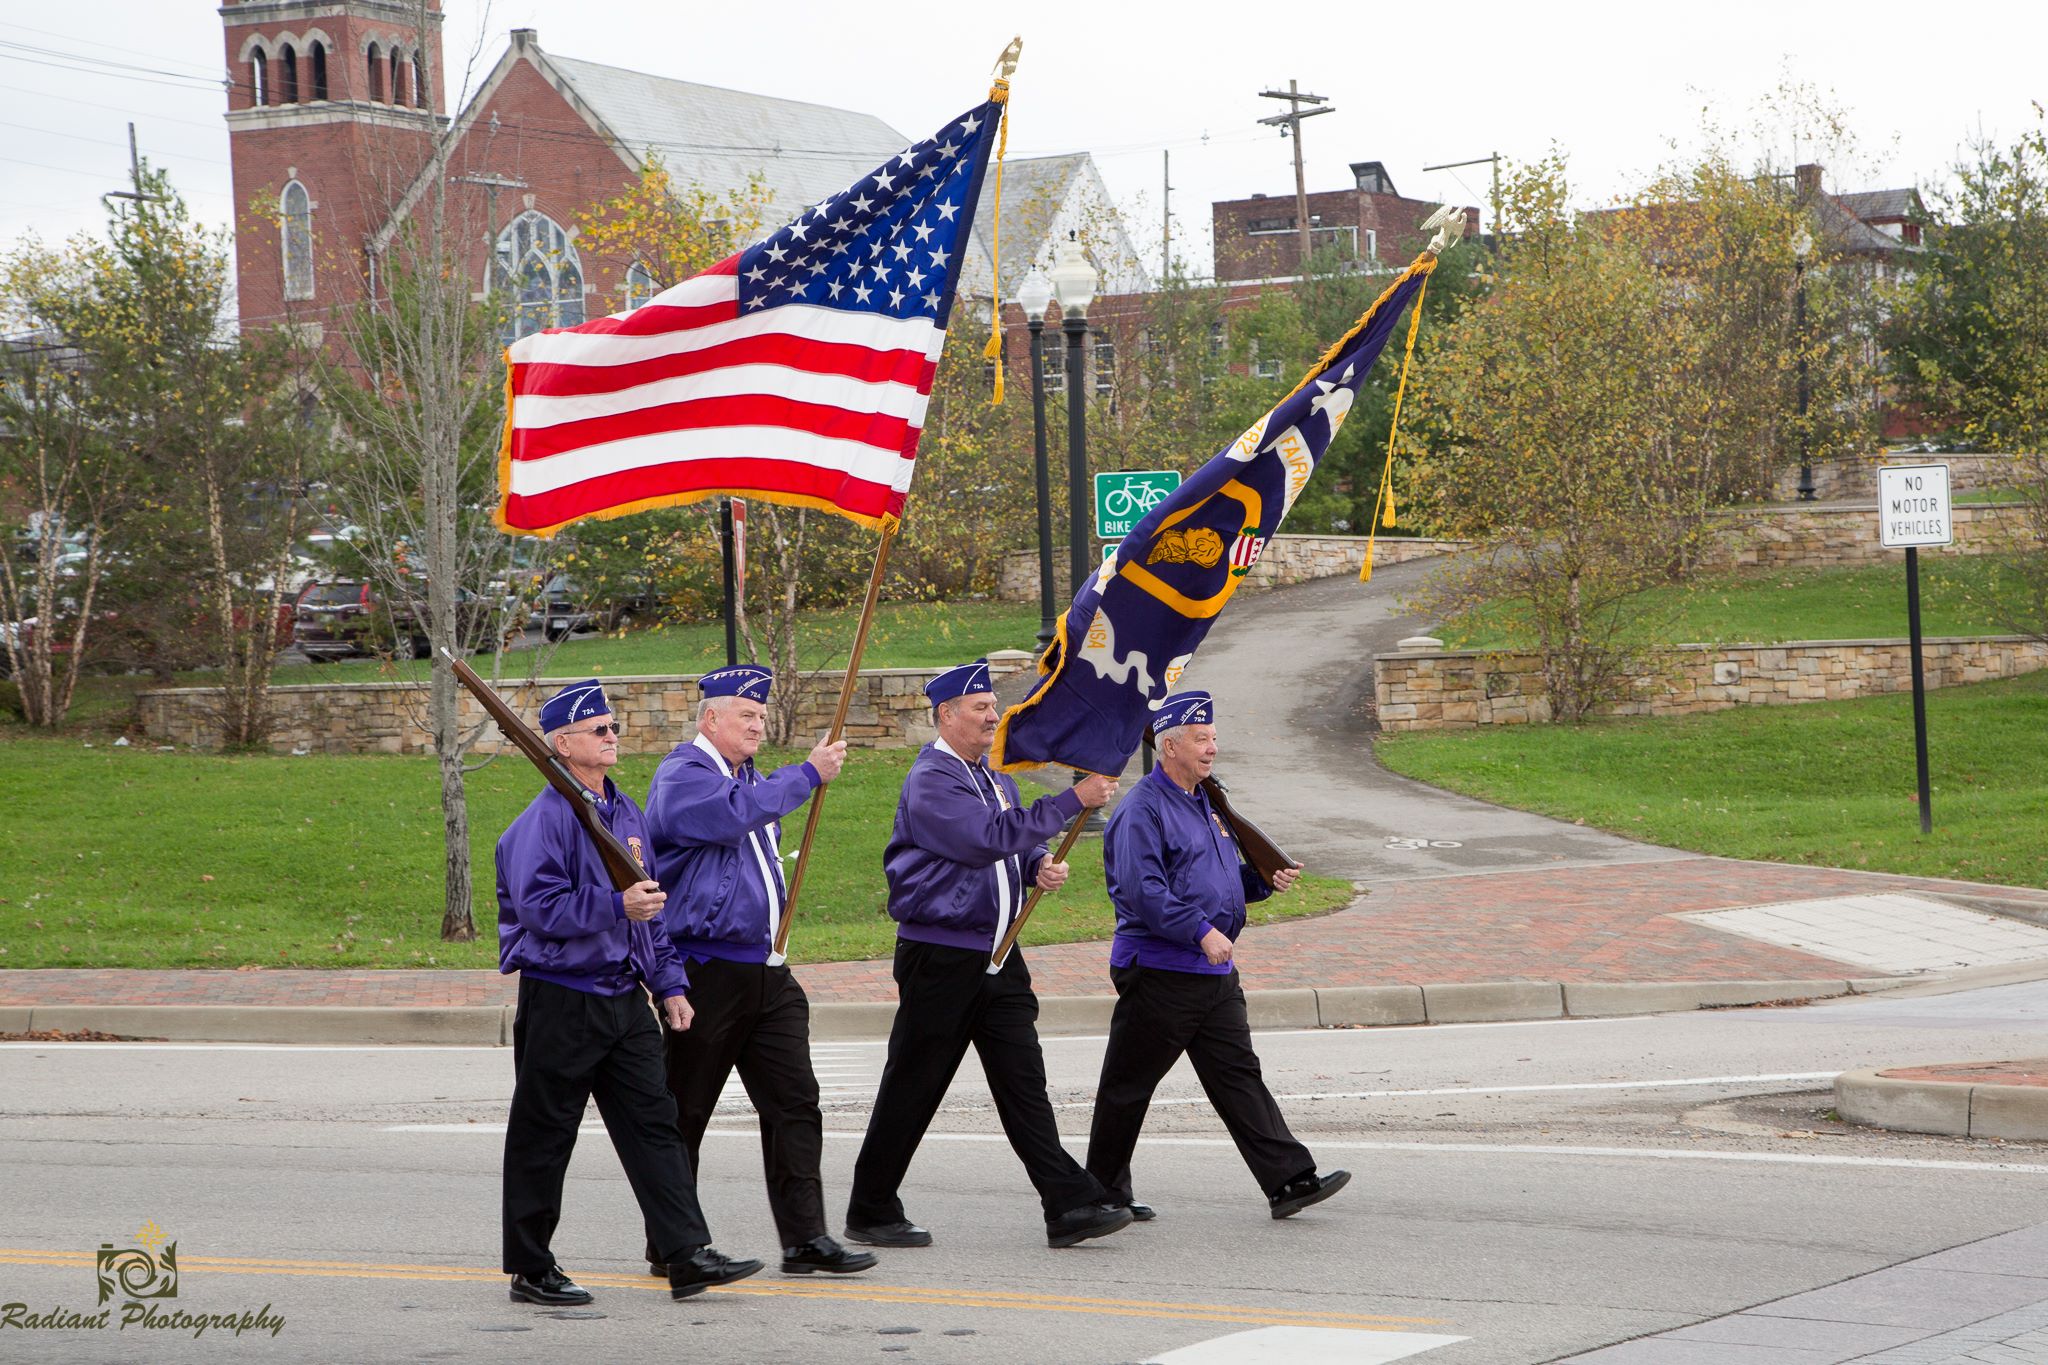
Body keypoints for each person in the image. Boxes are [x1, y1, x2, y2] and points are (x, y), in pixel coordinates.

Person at [843, 658, 1132, 1250]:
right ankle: (870, 1207)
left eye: (993, 706)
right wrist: (1073, 798)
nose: (993, 715)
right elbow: (980, 840)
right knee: (915, 1083)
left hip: (1001, 953)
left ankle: (1068, 1203)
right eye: (980, 708)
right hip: (942, 956)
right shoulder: (932, 779)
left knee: (1023, 1082)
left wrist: (1036, 866)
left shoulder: (996, 778)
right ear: (946, 717)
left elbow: (1008, 847)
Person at [496, 679, 763, 1305]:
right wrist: (614, 904)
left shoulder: (624, 813)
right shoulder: (542, 822)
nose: (613, 737)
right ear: (562, 745)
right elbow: (539, 910)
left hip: (623, 999)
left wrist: (668, 983)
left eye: (613, 727)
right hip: (562, 997)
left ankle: (685, 1252)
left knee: (656, 1125)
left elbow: (649, 913)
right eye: (599, 730)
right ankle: (531, 1268)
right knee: (544, 1135)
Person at [641, 663, 876, 1278]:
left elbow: (748, 813)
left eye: (762, 716)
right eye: (746, 715)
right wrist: (805, 774)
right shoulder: (683, 776)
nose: (758, 725)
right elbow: (727, 816)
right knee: (686, 1109)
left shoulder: (746, 778)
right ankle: (673, 1245)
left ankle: (805, 1239)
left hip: (769, 973)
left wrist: (789, 780)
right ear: (710, 718)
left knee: (796, 1103)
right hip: (707, 970)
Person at [1083, 690, 1350, 1222]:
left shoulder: (1205, 800)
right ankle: (1100, 1193)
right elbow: (1143, 891)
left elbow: (1215, 877)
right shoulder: (1143, 810)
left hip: (1211, 971)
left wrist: (1261, 880)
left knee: (1238, 1075)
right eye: (1201, 740)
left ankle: (1288, 1180)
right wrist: (1201, 931)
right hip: (1160, 969)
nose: (1212, 749)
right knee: (1128, 1086)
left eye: (1212, 738)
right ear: (1170, 747)